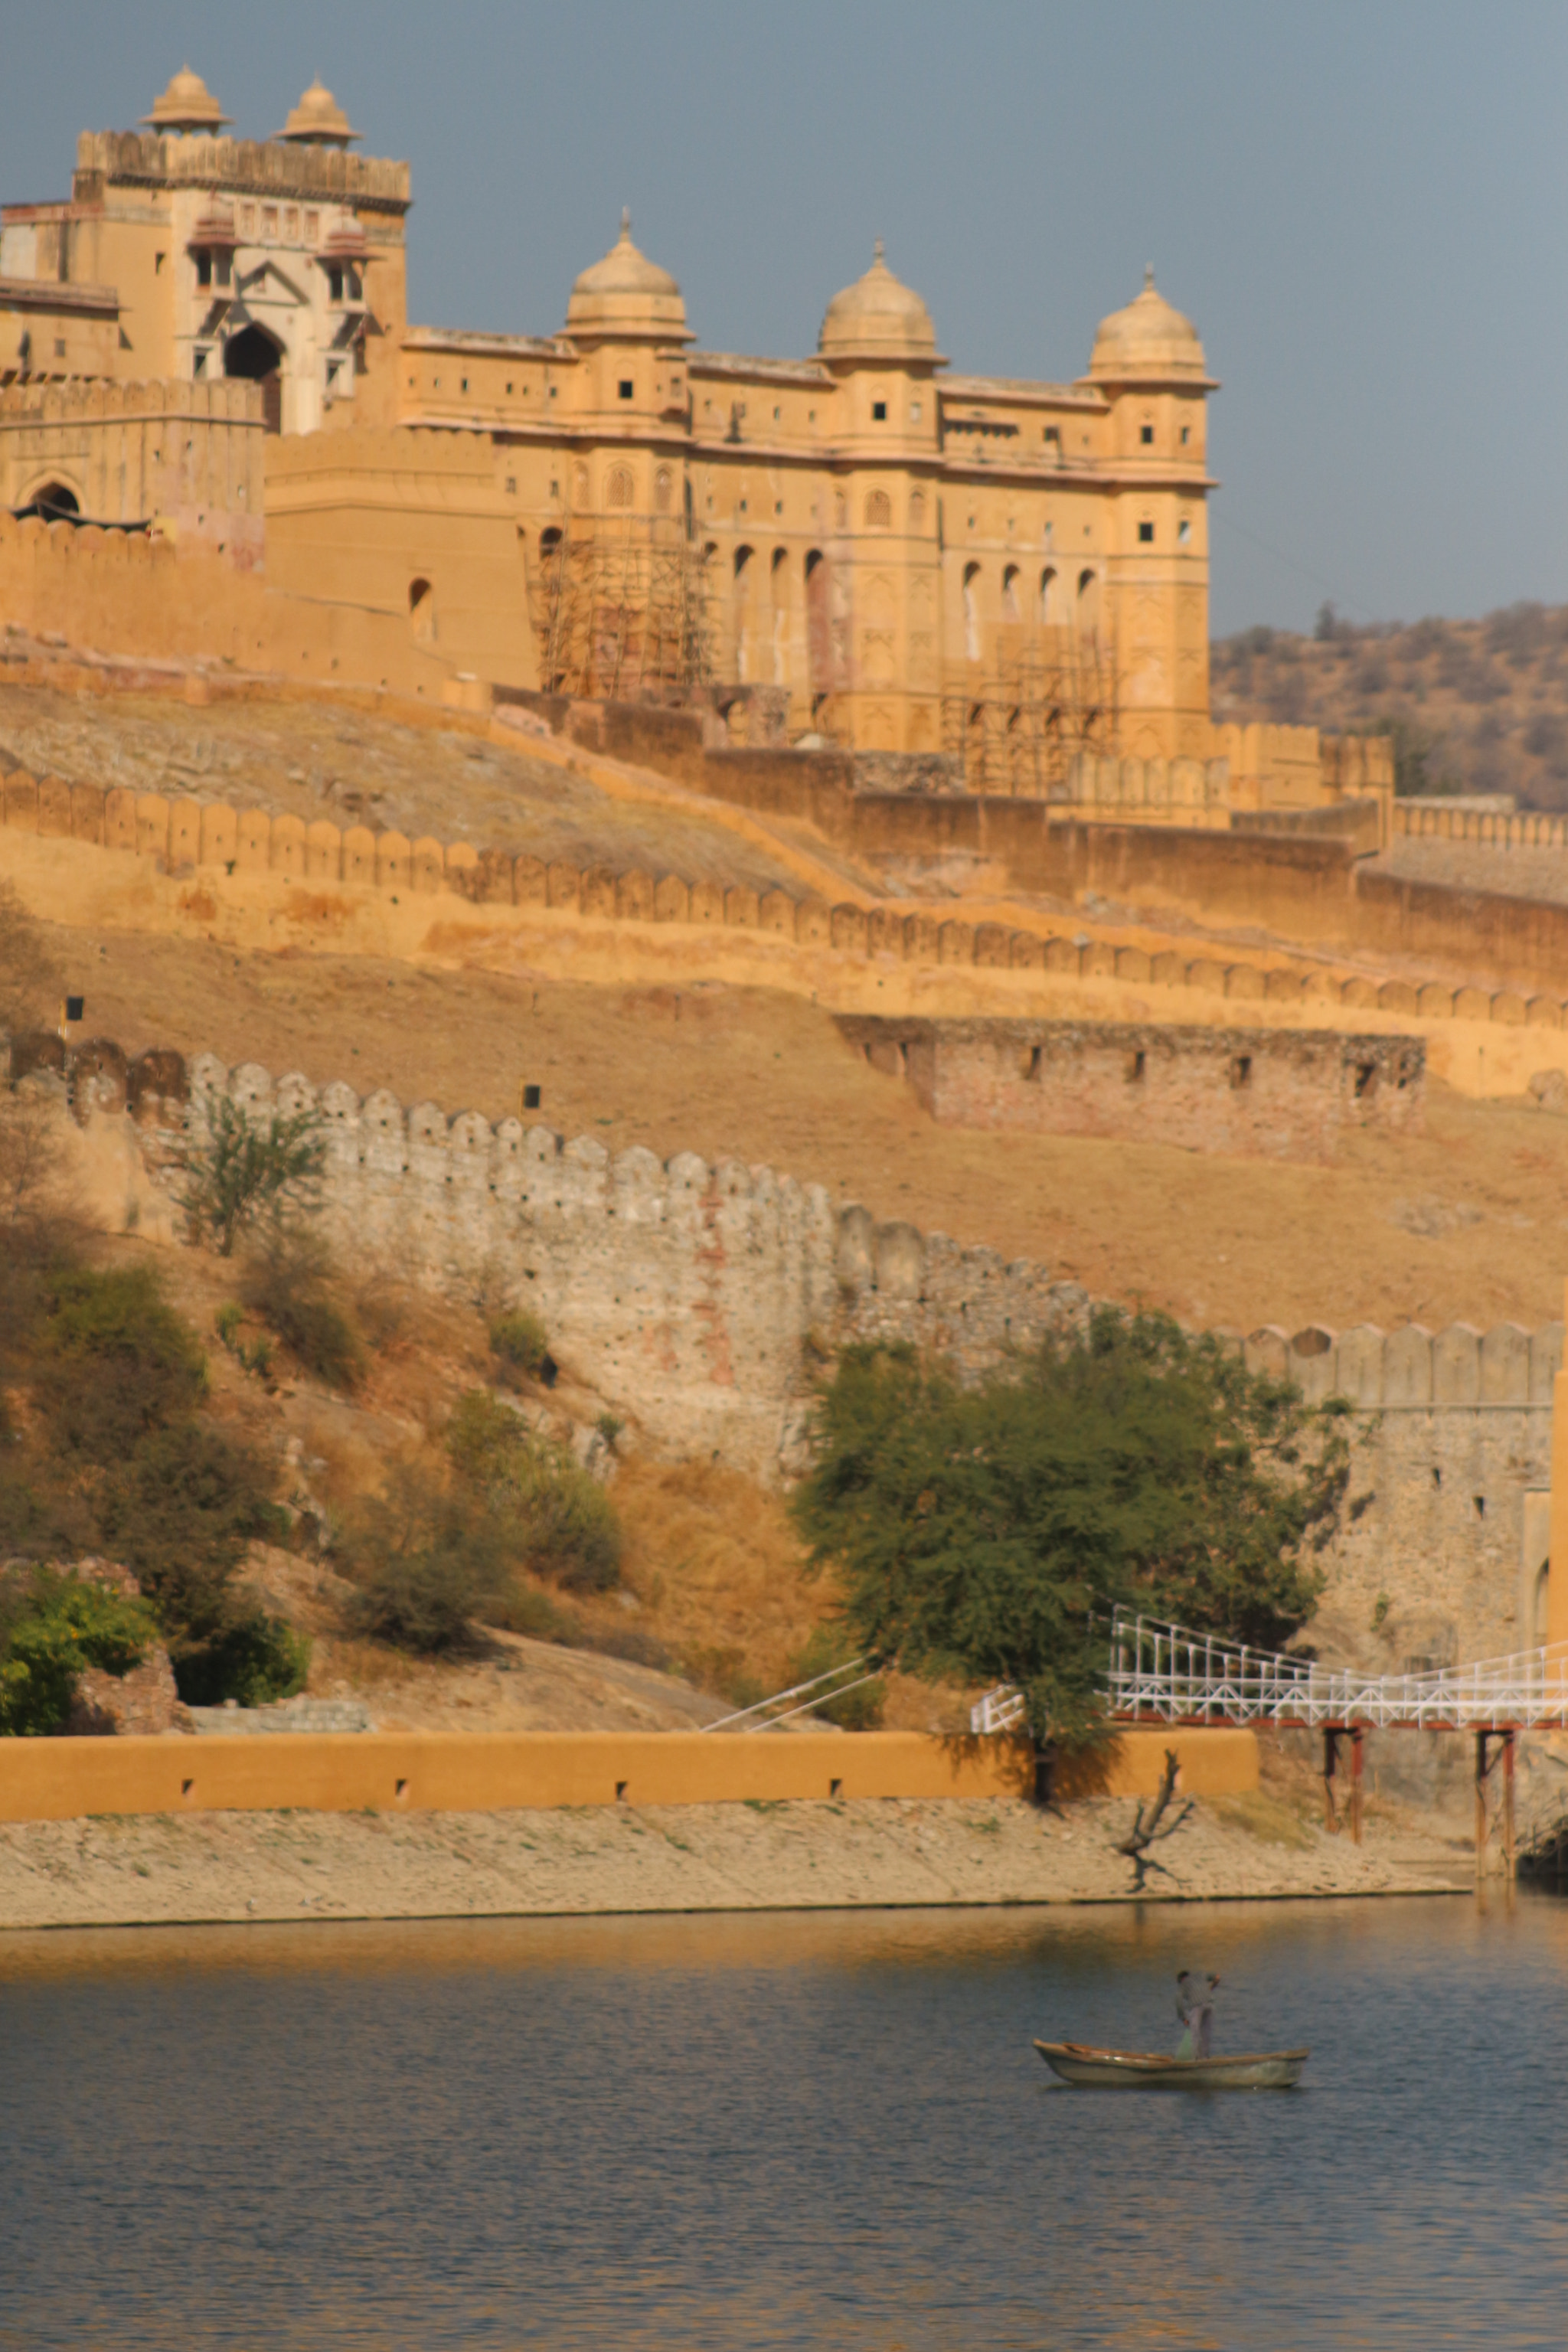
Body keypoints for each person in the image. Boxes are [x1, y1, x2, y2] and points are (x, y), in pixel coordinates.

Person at [1174, 1970, 1220, 2059]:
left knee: (1195, 2033)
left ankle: (1195, 2059)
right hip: (1210, 2004)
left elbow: (1178, 2001)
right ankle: (1204, 2058)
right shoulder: (1200, 1975)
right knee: (1206, 2033)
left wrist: (1183, 2018)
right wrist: (1211, 1989)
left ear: (1182, 1979)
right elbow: (1217, 1977)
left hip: (1196, 2006)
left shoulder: (1184, 1984)